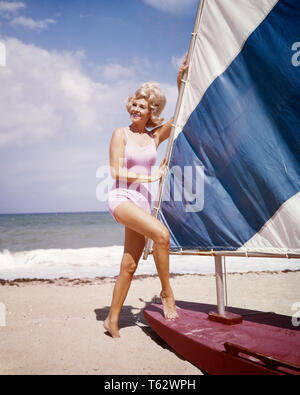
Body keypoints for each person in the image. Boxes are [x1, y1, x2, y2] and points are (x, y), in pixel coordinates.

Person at [104, 57, 188, 338]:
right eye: (134, 104)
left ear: (152, 111)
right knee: (162, 235)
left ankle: (111, 319)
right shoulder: (120, 133)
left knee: (129, 264)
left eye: (143, 106)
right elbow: (115, 169)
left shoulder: (153, 138)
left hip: (142, 204)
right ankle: (167, 292)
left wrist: (179, 83)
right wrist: (150, 177)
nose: (136, 109)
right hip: (121, 199)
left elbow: (180, 116)